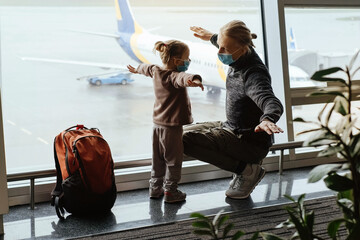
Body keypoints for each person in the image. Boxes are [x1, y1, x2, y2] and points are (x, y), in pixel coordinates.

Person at [183, 20, 284, 199]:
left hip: (249, 141)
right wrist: (211, 37)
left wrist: (268, 118)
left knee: (185, 140)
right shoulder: (241, 51)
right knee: (176, 133)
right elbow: (225, 41)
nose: (220, 53)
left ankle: (247, 170)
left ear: (243, 48)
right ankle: (244, 167)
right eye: (220, 46)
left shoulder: (253, 73)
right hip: (232, 126)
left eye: (225, 50)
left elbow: (269, 99)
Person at [127, 40, 204, 203]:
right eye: (187, 58)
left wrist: (136, 70)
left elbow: (145, 67)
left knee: (158, 159)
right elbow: (183, 78)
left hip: (157, 125)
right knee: (173, 160)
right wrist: (194, 80)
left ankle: (155, 189)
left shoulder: (156, 70)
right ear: (176, 61)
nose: (188, 61)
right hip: (171, 127)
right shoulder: (174, 76)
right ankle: (170, 191)